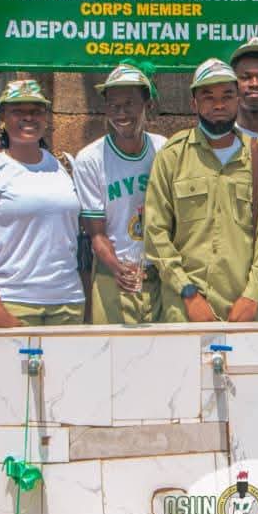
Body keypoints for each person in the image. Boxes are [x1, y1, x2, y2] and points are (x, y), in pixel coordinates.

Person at [145, 58, 258, 322]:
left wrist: (252, 295)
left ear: (238, 99)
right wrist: (187, 293)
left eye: (227, 96)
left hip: (243, 310)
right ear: (194, 103)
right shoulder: (172, 157)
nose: (218, 105)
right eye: (208, 97)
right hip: (184, 309)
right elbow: (155, 232)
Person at [0, 79, 85, 326]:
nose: (29, 118)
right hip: (12, 302)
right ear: (3, 117)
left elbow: (79, 241)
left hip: (68, 303)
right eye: (18, 111)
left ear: (46, 117)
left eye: (36, 111)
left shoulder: (66, 166)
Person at [74, 63, 167, 324]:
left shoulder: (163, 150)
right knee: (112, 349)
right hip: (113, 276)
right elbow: (96, 234)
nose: (121, 113)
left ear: (147, 105)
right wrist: (118, 268)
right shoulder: (90, 159)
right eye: (113, 106)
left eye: (129, 104)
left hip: (159, 276)